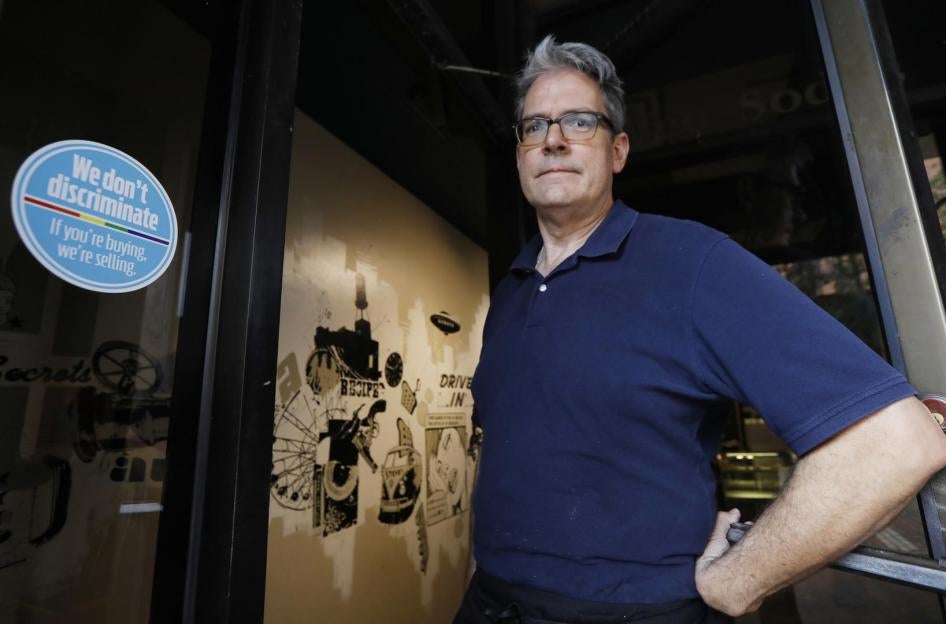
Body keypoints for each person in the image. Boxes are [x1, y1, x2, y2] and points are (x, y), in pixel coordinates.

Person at [455, 35, 946, 623]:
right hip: (488, 607)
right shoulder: (509, 291)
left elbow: (895, 441)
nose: (553, 139)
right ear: (518, 154)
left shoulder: (691, 263)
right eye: (534, 126)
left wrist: (741, 578)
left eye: (579, 121)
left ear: (618, 150)